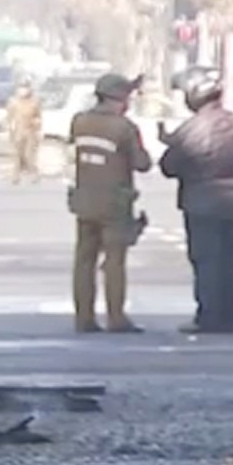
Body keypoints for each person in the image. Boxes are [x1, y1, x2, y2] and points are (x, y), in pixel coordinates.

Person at [159, 68, 233, 335]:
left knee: (207, 259)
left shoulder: (194, 127)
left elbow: (170, 165)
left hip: (202, 199)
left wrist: (172, 144)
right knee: (230, 260)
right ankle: (227, 316)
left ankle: (209, 316)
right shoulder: (232, 121)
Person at [67, 73, 150, 334]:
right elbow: (142, 163)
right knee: (114, 261)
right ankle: (116, 317)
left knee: (84, 261)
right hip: (114, 204)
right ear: (118, 99)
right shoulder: (123, 127)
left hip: (84, 201)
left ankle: (84, 317)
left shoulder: (79, 122)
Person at [6, 80, 44, 183]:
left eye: (25, 88)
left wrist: (37, 127)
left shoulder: (34, 101)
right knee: (17, 155)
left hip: (30, 131)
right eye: (21, 88)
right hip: (18, 130)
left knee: (29, 154)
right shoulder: (13, 101)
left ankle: (34, 174)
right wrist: (10, 129)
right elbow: (9, 117)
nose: (23, 90)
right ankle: (15, 176)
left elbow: (38, 116)